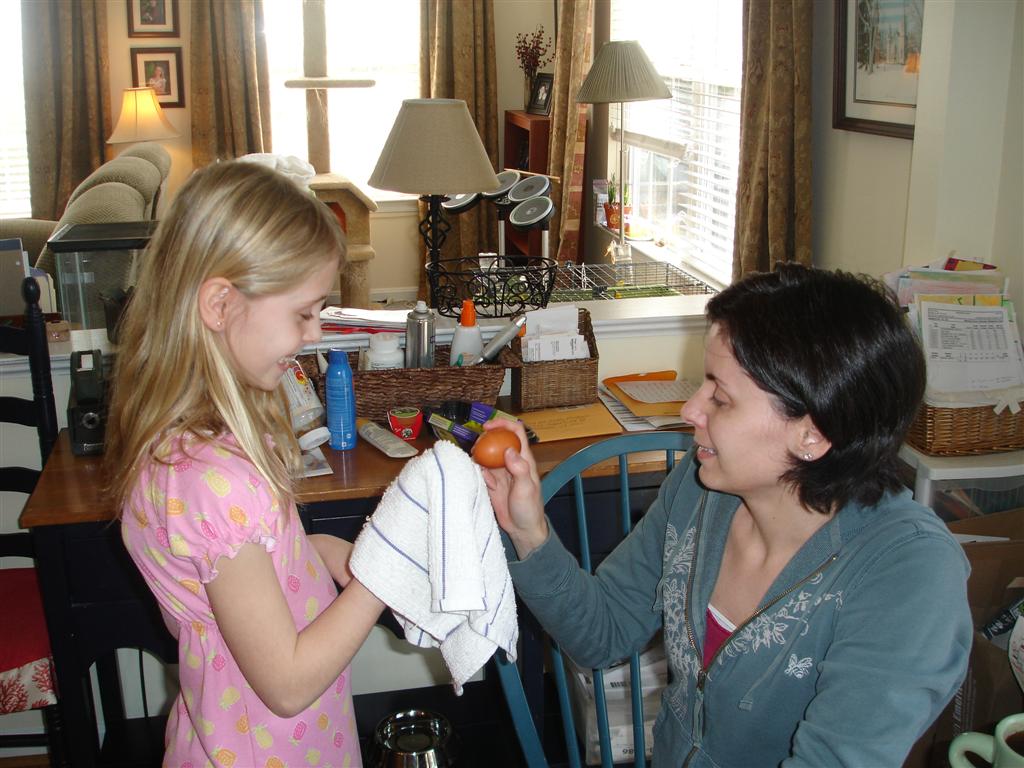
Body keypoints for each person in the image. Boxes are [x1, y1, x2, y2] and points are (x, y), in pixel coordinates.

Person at [483, 263, 972, 767]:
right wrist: (528, 530)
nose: (690, 411)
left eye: (719, 397)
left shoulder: (909, 574)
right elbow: (602, 632)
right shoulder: (701, 489)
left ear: (813, 433)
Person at [105, 161, 384, 766]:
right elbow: (286, 684)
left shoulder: (193, 445)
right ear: (220, 304)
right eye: (303, 312)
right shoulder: (214, 480)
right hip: (263, 748)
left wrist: (314, 550)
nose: (315, 333)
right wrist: (381, 580)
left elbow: (234, 578)